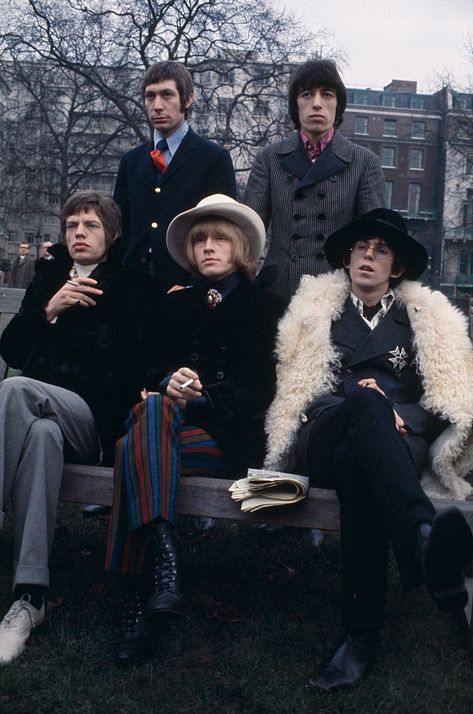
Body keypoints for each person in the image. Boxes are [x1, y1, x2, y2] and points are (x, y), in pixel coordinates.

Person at [264, 208, 473, 691]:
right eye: (361, 248)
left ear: (396, 269)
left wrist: (403, 418)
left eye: (380, 251)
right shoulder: (318, 313)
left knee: (361, 469)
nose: (368, 257)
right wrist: (368, 404)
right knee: (363, 399)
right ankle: (421, 538)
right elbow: (299, 385)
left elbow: (447, 397)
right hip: (327, 427)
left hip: (395, 444)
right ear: (348, 258)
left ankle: (360, 638)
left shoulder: (425, 321)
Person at [105, 194, 286, 663]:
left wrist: (202, 396)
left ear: (240, 247)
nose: (207, 246)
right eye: (200, 238)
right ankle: (161, 572)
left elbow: (262, 391)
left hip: (226, 438)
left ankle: (134, 600)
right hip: (166, 429)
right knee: (150, 418)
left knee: (132, 449)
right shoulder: (172, 304)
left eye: (219, 238)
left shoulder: (267, 308)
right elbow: (145, 370)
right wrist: (168, 380)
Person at [0, 191, 155, 664]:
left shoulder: (131, 286)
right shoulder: (47, 277)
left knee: (14, 390)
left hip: (93, 420)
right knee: (41, 433)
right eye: (71, 226)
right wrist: (50, 310)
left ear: (111, 235)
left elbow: (131, 369)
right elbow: (11, 350)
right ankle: (30, 598)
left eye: (90, 225)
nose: (79, 234)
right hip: (40, 423)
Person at [243, 59, 385, 300]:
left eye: (327, 95)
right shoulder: (269, 159)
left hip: (335, 296)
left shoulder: (364, 163)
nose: (317, 104)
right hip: (276, 293)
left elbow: (372, 241)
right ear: (295, 105)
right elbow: (247, 236)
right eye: (307, 94)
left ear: (338, 104)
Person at [114, 61, 237, 292]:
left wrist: (195, 287)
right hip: (131, 287)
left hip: (186, 287)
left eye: (167, 95)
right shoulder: (131, 161)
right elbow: (122, 228)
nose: (157, 106)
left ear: (187, 99)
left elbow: (224, 231)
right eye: (150, 97)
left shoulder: (213, 158)